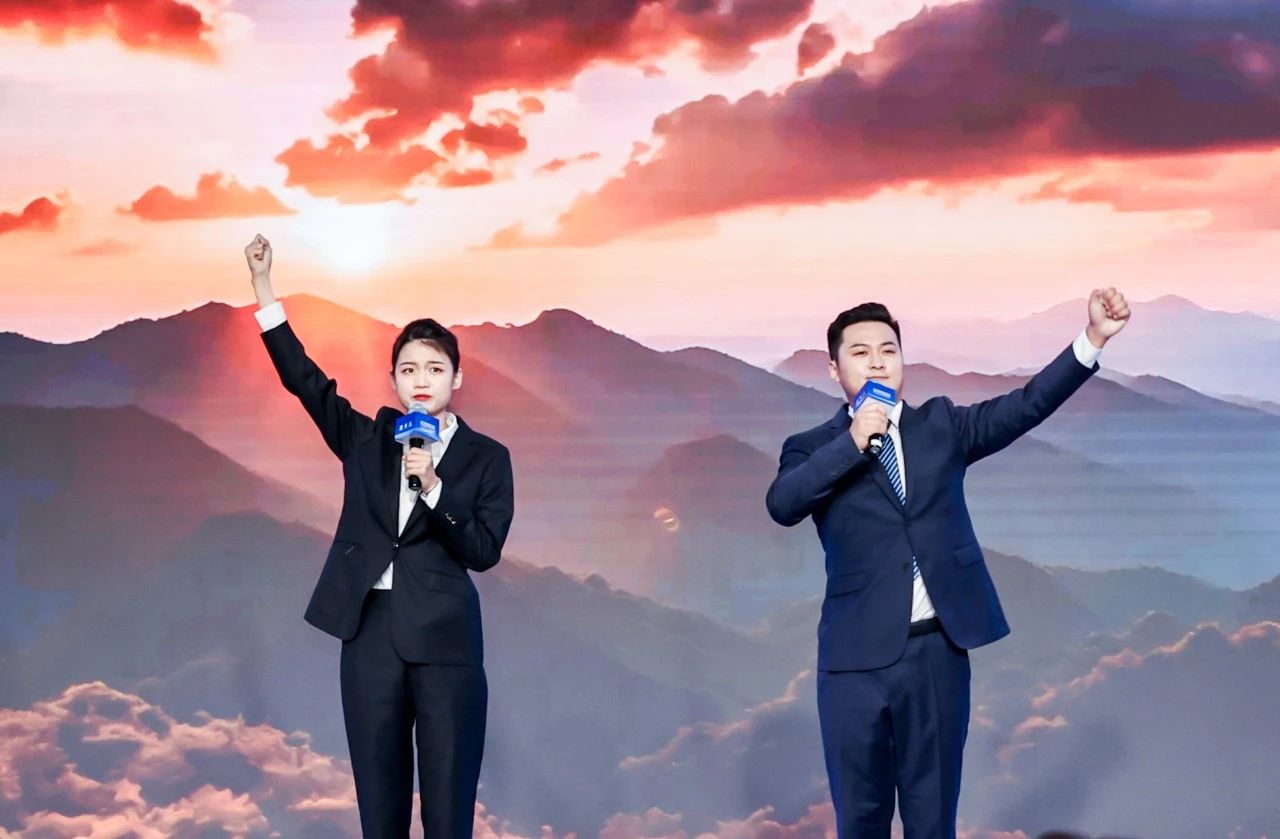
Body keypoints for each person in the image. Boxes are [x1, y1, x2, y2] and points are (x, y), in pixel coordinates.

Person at [765, 289, 1130, 838]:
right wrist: (853, 441)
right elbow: (783, 504)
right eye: (860, 353)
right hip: (853, 664)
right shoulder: (812, 446)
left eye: (888, 350)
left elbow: (1026, 405)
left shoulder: (941, 427)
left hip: (936, 654)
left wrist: (1094, 338)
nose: (877, 362)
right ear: (833, 368)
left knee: (932, 819)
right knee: (860, 820)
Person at [244, 234, 514, 838]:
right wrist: (264, 287)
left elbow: (484, 550)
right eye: (409, 369)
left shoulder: (487, 457)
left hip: (446, 640)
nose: (422, 379)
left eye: (435, 369)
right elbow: (306, 383)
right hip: (369, 635)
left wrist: (435, 487)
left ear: (458, 378)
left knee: (448, 809)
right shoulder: (367, 441)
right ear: (392, 378)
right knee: (379, 808)